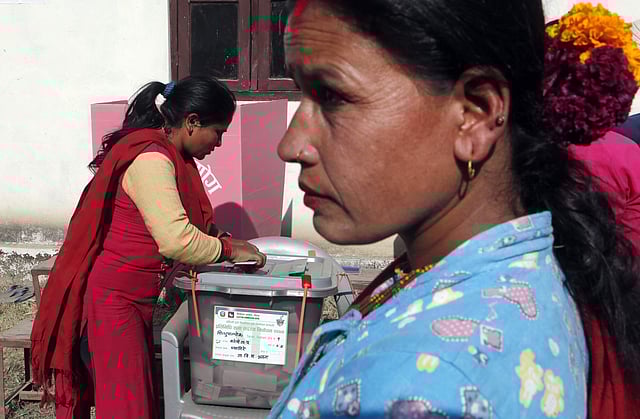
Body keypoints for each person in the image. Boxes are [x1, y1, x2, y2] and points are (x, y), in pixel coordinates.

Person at [268, 0, 640, 418]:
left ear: (475, 114)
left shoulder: (423, 388)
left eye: (333, 97)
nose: (291, 146)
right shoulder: (498, 275)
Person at [30, 75, 267, 419]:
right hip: (115, 303)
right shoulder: (151, 160)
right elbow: (177, 239)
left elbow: (192, 224)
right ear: (192, 122)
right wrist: (229, 250)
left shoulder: (172, 156)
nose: (219, 142)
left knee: (137, 402)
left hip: (135, 302)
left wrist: (227, 240)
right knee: (128, 408)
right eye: (218, 131)